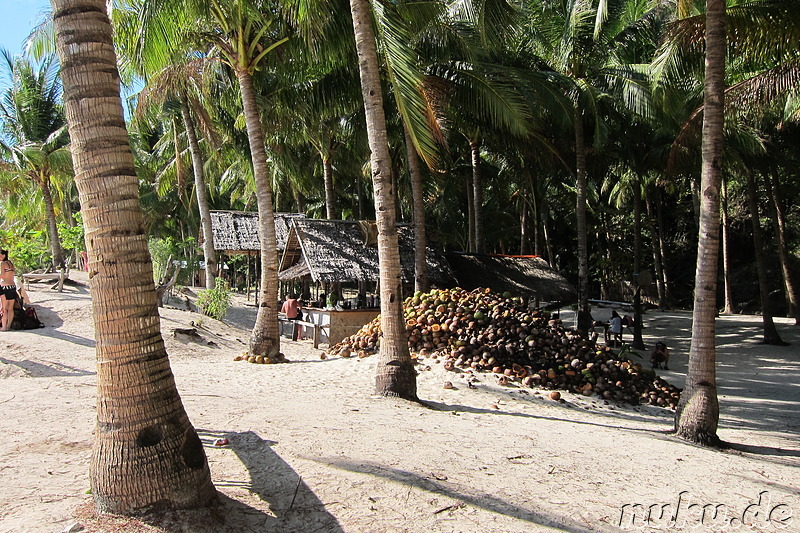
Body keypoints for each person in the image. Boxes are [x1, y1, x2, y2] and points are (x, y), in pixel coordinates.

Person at [0, 250, 18, 331]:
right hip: (12, 286)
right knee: (10, 308)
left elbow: (3, 275)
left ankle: (4, 327)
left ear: (4, 255)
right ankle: (8, 326)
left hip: (5, 287)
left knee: (4, 308)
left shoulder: (2, 264)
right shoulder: (10, 263)